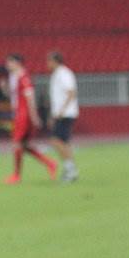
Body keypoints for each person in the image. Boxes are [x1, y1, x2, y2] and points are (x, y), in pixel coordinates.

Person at [0, 53, 57, 185]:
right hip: (18, 113)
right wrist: (4, 88)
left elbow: (30, 97)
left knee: (16, 144)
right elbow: (13, 96)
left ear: (17, 63)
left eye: (10, 62)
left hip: (23, 115)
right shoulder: (14, 77)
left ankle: (16, 176)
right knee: (24, 146)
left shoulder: (24, 77)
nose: (7, 64)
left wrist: (33, 116)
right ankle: (50, 163)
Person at [46, 51, 79, 183]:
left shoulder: (63, 73)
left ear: (55, 61)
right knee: (65, 143)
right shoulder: (57, 74)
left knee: (55, 141)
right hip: (62, 113)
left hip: (65, 114)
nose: (47, 64)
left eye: (49, 61)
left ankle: (70, 169)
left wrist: (61, 111)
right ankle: (71, 170)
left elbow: (71, 92)